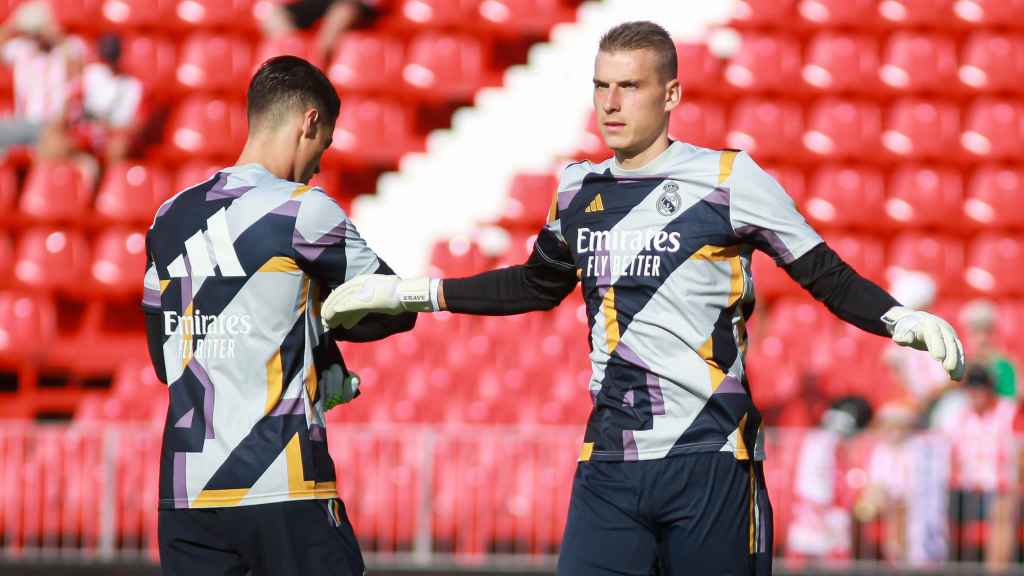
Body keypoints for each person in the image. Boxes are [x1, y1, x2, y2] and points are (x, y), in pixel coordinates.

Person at [320, 21, 966, 575]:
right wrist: (408, 293)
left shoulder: (728, 179)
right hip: (611, 460)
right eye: (601, 86)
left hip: (710, 456)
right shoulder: (576, 190)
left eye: (629, 86)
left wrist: (896, 317)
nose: (611, 102)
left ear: (671, 93)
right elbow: (534, 284)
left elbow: (823, 273)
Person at [142, 55, 414, 576]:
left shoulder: (168, 217)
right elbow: (394, 308)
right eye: (323, 146)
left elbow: (164, 359)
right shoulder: (302, 209)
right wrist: (317, 325)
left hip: (187, 499)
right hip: (282, 484)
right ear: (309, 122)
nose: (319, 165)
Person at [939, 364, 1017, 569]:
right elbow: (950, 453)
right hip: (965, 487)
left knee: (1002, 508)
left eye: (979, 389)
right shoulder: (959, 415)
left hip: (1000, 486)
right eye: (972, 390)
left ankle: (996, 570)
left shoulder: (1008, 411)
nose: (975, 395)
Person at [0, 0, 85, 157]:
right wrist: (14, 23)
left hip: (53, 124)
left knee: (53, 146)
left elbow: (78, 68)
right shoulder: (21, 48)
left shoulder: (67, 48)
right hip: (24, 121)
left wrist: (55, 34)